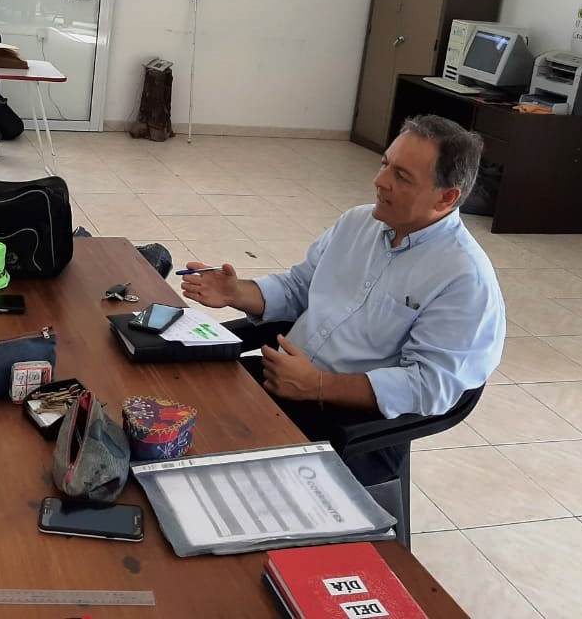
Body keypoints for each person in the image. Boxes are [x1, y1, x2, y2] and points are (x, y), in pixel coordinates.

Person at [182, 114, 505, 486]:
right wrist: (237, 293)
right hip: (283, 381)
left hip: (354, 425)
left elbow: (430, 385)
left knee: (214, 478)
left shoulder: (464, 278)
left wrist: (318, 385)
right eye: (385, 164)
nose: (380, 181)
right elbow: (298, 289)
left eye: (401, 177)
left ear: (446, 197)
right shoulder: (357, 223)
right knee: (164, 414)